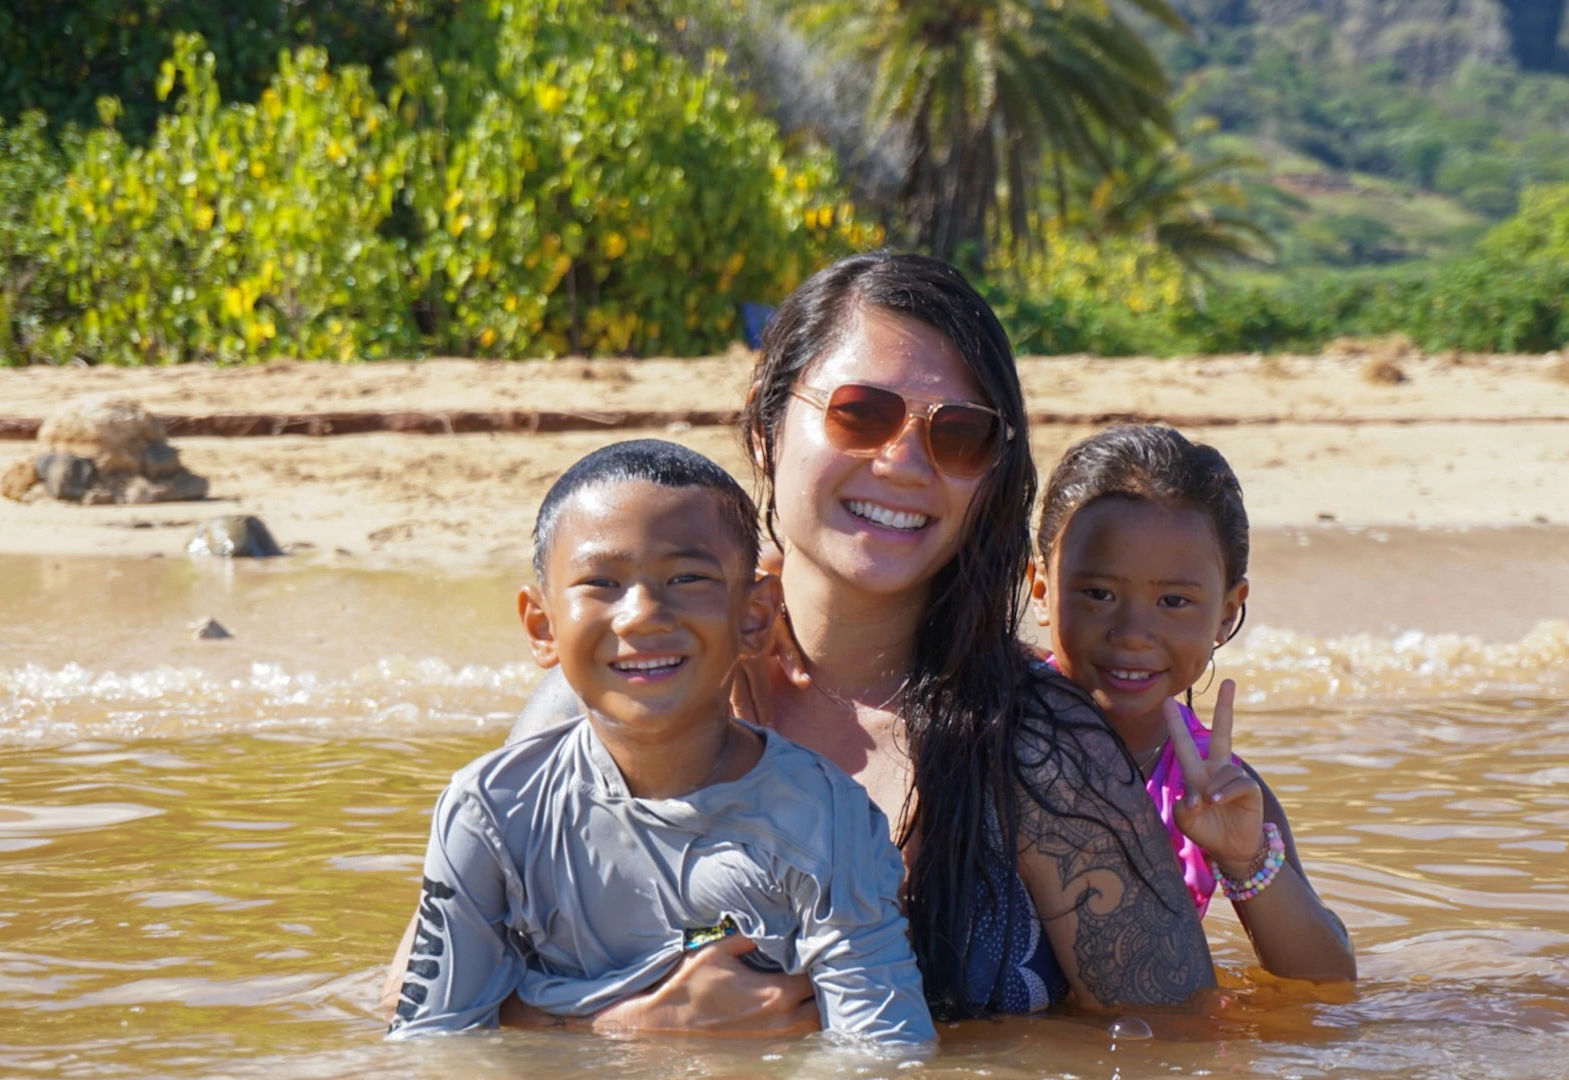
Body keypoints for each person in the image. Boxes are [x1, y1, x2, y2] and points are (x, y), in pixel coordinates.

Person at [468, 252, 1221, 1029]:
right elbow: (423, 1006)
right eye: (861, 414)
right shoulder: (623, 680)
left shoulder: (1039, 750)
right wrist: (624, 1035)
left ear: (989, 476)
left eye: (958, 435)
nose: (902, 462)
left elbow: (1181, 1037)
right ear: (767, 427)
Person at [386, 439, 934, 1044]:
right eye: (601, 582)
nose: (643, 614)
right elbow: (433, 1046)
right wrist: (638, 1030)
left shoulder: (827, 823)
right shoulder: (491, 814)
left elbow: (885, 1055)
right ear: (542, 626)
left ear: (754, 616)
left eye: (687, 577)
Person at [1027, 426, 1356, 981]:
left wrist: (1244, 858)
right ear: (1041, 591)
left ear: (1228, 612)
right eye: (1098, 594)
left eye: (1174, 601)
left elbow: (1327, 979)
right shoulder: (988, 719)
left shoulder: (1214, 786)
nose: (1133, 632)